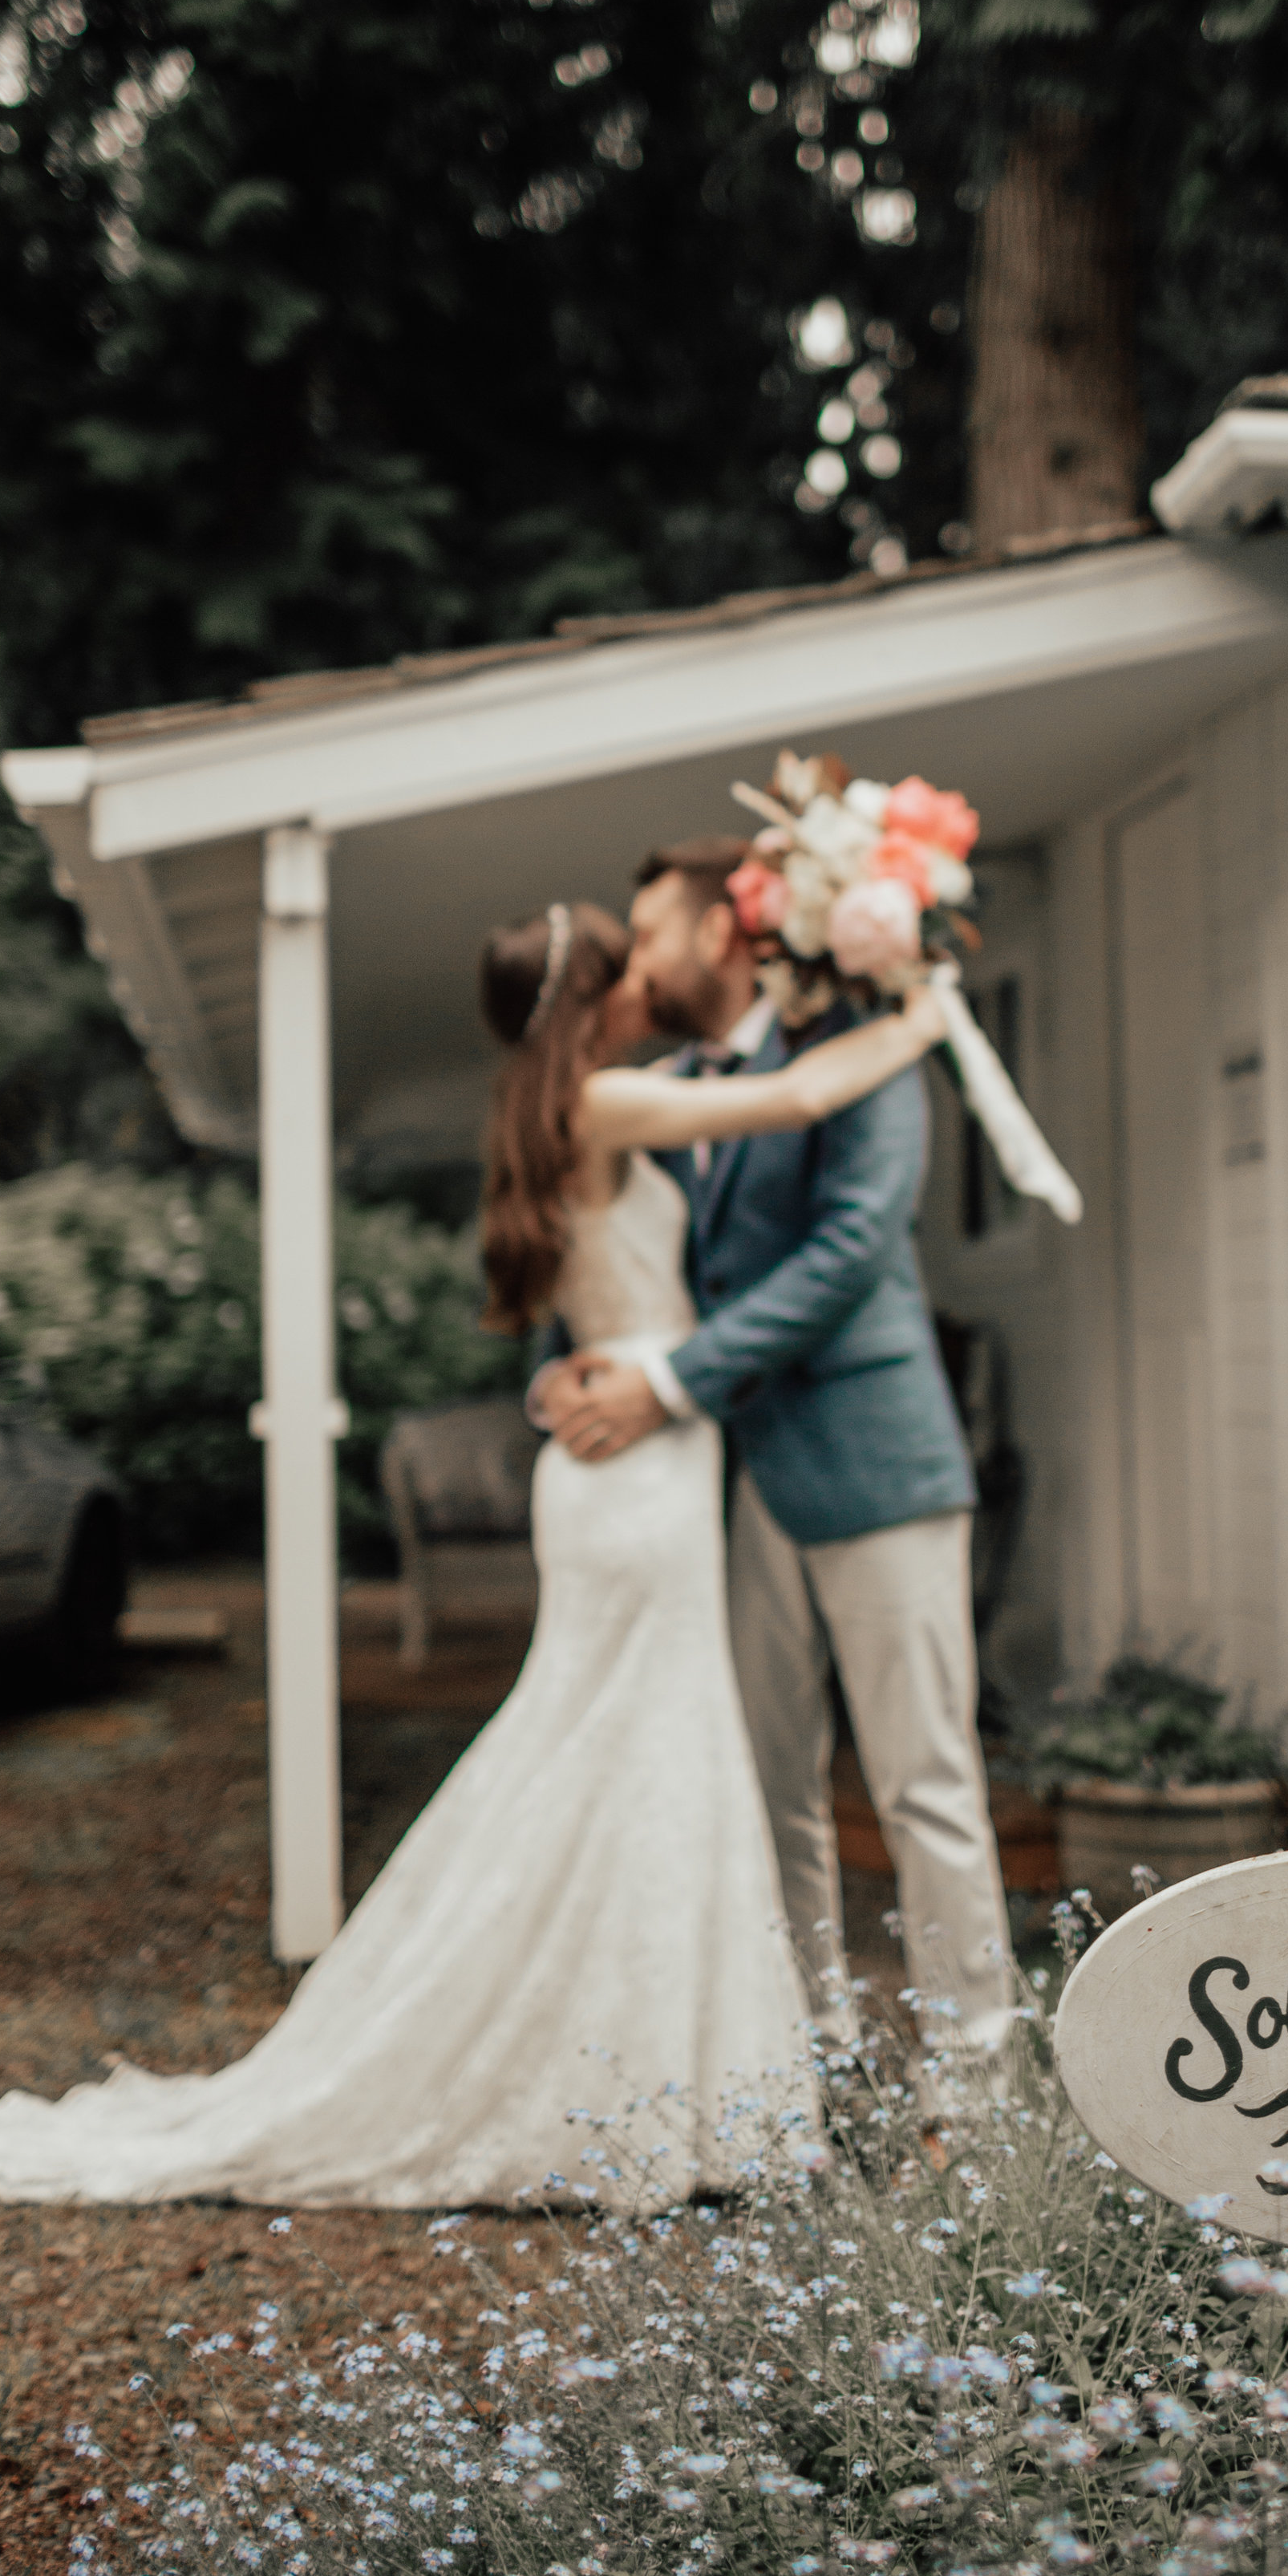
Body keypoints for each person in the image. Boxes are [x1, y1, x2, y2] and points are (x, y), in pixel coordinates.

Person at [0, 903, 946, 2213]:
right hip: (642, 1469)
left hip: (614, 1464)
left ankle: (673, 2077)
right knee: (640, 1749)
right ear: (599, 998)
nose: (653, 981)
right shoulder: (606, 1101)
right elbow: (792, 1094)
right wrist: (921, 1019)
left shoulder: (547, 1105)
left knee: (617, 1751)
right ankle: (663, 2085)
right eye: (631, 968)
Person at [534, 839, 1015, 2073]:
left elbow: (850, 1251)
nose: (635, 964)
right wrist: (565, 1358)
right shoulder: (668, 1087)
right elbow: (621, 1259)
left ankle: (975, 2091)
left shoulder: (858, 1057)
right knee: (769, 1788)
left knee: (924, 1782)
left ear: (723, 933)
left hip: (876, 1464)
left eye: (649, 935)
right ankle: (810, 2061)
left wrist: (669, 1380)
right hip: (733, 1486)